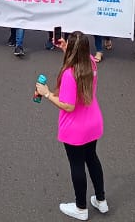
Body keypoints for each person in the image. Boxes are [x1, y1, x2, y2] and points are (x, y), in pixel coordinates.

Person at [34, 32, 108, 221]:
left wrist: (47, 93)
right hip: (93, 122)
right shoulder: (91, 63)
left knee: (77, 165)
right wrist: (66, 48)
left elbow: (68, 105)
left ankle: (81, 208)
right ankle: (101, 200)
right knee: (92, 159)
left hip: (75, 128)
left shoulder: (69, 74)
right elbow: (79, 54)